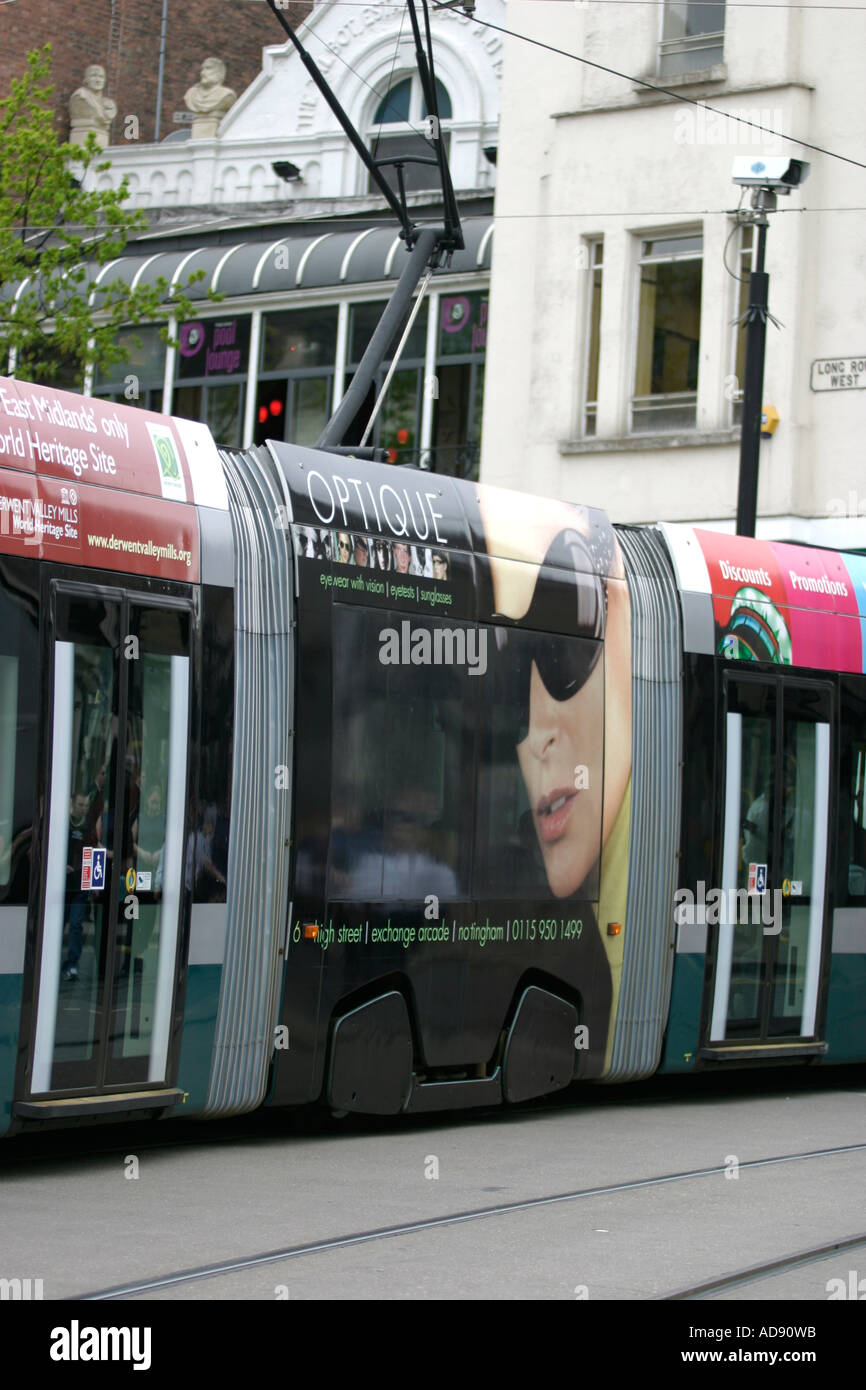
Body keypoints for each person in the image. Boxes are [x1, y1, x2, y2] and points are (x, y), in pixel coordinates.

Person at [62, 790, 91, 981]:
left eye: (85, 805)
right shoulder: (63, 824)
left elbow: (93, 852)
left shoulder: (89, 827)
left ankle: (72, 964)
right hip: (62, 886)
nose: (83, 808)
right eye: (80, 805)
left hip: (81, 886)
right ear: (73, 805)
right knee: (58, 925)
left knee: (76, 924)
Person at [184, 58, 237, 138]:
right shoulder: (191, 94)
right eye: (202, 69)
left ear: (220, 73)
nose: (202, 73)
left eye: (208, 68)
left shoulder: (227, 95)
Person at [68, 65, 117, 149]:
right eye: (93, 76)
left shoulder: (109, 104)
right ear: (86, 80)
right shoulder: (80, 97)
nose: (98, 80)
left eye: (101, 77)